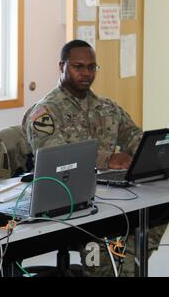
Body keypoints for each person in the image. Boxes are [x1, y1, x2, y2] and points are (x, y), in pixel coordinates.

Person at [24, 39, 167, 276]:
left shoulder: (107, 107)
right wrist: (107, 158)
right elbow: (55, 157)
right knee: (105, 265)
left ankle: (128, 268)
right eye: (78, 67)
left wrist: (154, 152)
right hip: (74, 203)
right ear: (62, 66)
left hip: (118, 195)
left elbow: (135, 137)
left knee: (157, 214)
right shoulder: (44, 112)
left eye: (92, 67)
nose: (86, 73)